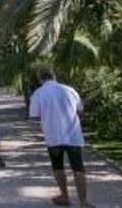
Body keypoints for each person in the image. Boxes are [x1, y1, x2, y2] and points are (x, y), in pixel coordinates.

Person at [29, 70, 93, 208]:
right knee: (78, 168)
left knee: (58, 167)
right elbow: (80, 110)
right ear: (54, 77)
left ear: (41, 80)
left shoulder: (38, 93)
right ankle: (83, 202)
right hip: (73, 135)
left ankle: (64, 196)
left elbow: (34, 115)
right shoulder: (70, 90)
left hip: (53, 137)